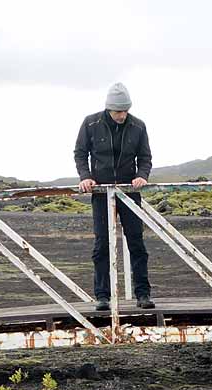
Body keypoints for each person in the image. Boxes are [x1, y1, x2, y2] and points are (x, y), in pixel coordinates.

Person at [74, 82, 155, 312]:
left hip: (130, 193)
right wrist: (85, 177)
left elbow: (145, 157)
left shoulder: (138, 126)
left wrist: (142, 176)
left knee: (136, 243)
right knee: (102, 245)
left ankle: (143, 294)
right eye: (118, 111)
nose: (122, 115)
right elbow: (80, 153)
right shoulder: (91, 123)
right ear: (109, 108)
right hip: (101, 194)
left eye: (125, 110)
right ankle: (102, 297)